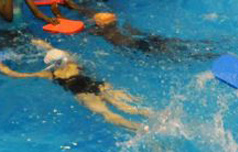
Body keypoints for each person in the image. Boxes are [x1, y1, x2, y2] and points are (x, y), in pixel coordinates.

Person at [0, 38, 151, 131]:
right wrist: (44, 45)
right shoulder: (73, 63)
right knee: (129, 107)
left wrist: (3, 68)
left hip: (83, 94)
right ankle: (156, 115)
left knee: (108, 114)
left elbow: (18, 75)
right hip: (98, 85)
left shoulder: (48, 74)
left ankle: (138, 128)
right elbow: (57, 52)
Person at [82, 12, 217, 61]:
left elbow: (85, 30)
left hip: (137, 46)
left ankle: (210, 55)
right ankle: (213, 52)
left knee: (179, 55)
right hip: (146, 38)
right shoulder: (121, 24)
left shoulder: (100, 31)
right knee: (184, 46)